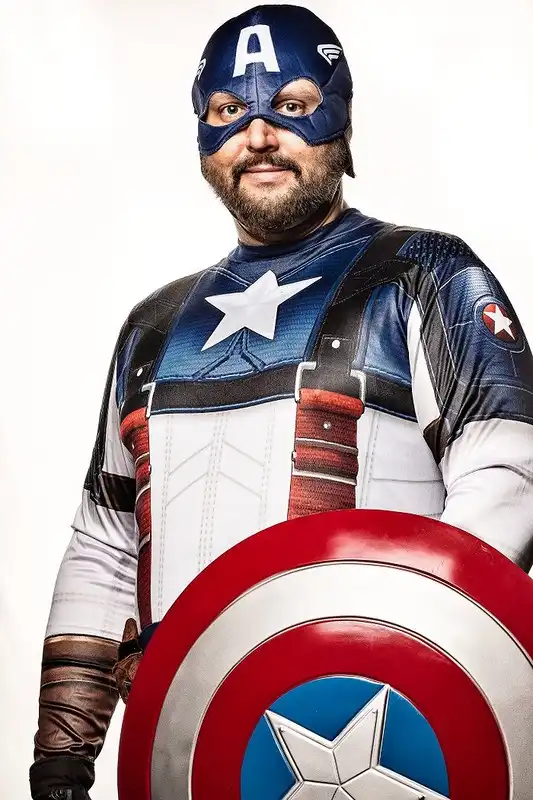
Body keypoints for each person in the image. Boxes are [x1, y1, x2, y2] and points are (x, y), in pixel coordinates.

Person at [29, 4, 533, 799]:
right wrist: (62, 756)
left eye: (293, 104)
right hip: (194, 750)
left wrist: (402, 649)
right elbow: (106, 542)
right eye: (228, 110)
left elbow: (507, 474)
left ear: (342, 121)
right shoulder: (152, 327)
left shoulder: (423, 275)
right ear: (202, 135)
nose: (259, 134)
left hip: (392, 741)